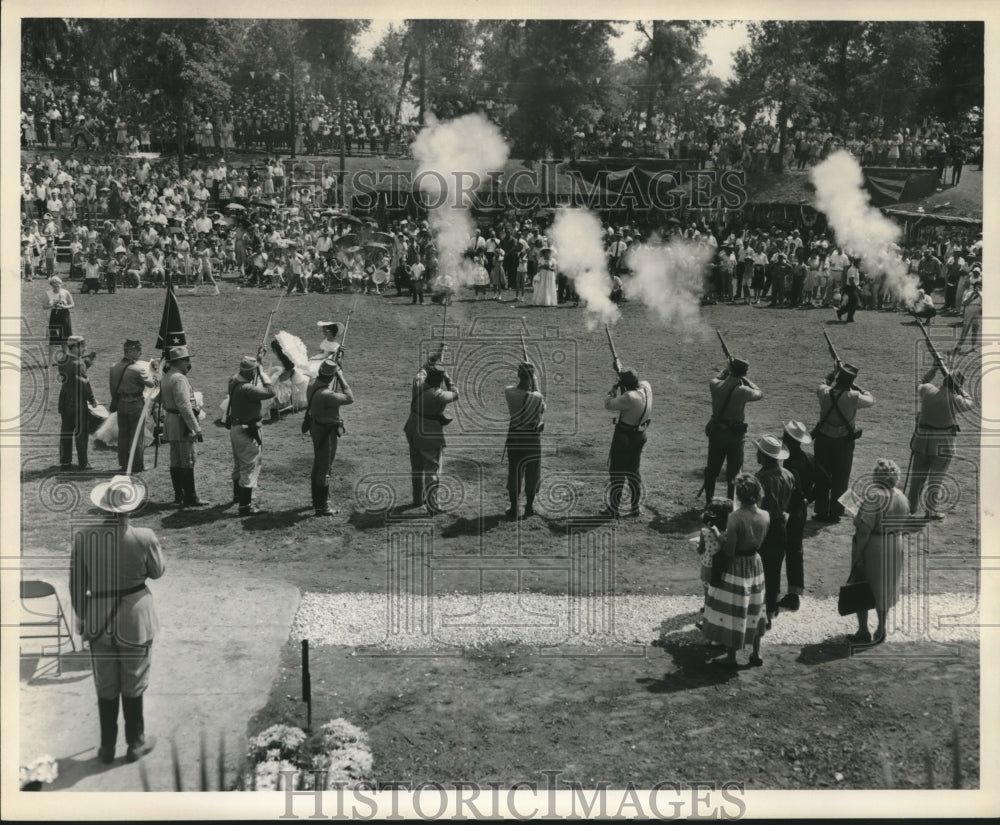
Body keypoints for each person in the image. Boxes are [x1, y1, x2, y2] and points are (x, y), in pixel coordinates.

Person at [70, 475, 164, 764]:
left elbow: (75, 585)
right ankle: (135, 743)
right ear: (130, 508)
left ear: (104, 507)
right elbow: (158, 571)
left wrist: (84, 616)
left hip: (98, 618)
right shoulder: (144, 536)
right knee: (134, 680)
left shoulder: (84, 537)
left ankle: (107, 747)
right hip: (135, 617)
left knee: (106, 683)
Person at [700, 473, 769, 668]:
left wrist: (718, 535)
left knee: (733, 607)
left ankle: (731, 656)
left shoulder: (735, 517)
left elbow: (729, 550)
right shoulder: (765, 515)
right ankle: (756, 653)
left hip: (737, 566)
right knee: (755, 606)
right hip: (755, 563)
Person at [847, 459, 917, 645]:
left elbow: (864, 531)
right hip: (895, 544)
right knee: (885, 589)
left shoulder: (874, 497)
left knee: (861, 585)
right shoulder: (902, 496)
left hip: (874, 547)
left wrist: (859, 555)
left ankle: (863, 630)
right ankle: (882, 628)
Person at [906, 363, 973, 519]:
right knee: (936, 478)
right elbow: (970, 401)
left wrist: (934, 369)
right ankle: (930, 510)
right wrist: (959, 389)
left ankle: (910, 507)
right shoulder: (955, 399)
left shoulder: (928, 390)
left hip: (921, 441)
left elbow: (920, 382)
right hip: (943, 444)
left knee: (917, 478)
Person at [812, 362, 875, 522]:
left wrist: (833, 372)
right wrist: (856, 385)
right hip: (843, 443)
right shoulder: (853, 397)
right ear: (850, 382)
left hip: (823, 439)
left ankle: (820, 510)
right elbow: (870, 399)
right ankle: (836, 512)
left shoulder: (825, 392)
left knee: (821, 475)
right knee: (841, 477)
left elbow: (823, 383)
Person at [403, 347, 459, 513]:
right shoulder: (439, 395)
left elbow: (422, 369)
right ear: (439, 380)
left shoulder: (418, 383)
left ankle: (416, 499)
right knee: (431, 469)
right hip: (429, 435)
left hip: (412, 430)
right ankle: (433, 505)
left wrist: (432, 360)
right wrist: (447, 376)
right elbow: (455, 393)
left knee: (416, 467)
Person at [702, 357, 763, 507]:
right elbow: (759, 393)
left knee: (712, 470)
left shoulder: (714, 385)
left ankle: (709, 502)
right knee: (734, 473)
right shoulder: (743, 391)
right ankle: (731, 504)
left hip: (717, 433)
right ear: (744, 373)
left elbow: (718, 378)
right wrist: (745, 380)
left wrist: (726, 372)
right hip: (735, 436)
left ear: (730, 370)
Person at [226, 352, 277, 516]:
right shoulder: (248, 388)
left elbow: (249, 380)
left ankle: (238, 497)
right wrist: (262, 372)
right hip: (247, 431)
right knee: (249, 466)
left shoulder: (234, 380)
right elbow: (271, 391)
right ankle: (245, 507)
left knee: (239, 465)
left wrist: (257, 362)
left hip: (236, 428)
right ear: (251, 372)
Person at [754, 435, 797, 627]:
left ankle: (760, 613)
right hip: (781, 527)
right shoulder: (788, 475)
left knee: (760, 572)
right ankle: (771, 611)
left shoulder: (760, 478)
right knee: (774, 572)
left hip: (765, 528)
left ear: (763, 456)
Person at [304, 357, 355, 516]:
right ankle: (322, 506)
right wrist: (340, 376)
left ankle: (316, 501)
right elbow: (349, 397)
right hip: (326, 432)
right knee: (325, 467)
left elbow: (326, 383)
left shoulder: (313, 384)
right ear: (332, 376)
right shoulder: (326, 394)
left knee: (319, 463)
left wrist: (335, 366)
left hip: (316, 427)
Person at [159, 346, 209, 507]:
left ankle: (178, 494)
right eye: (186, 359)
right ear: (179, 361)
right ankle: (190, 496)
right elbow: (184, 405)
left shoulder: (167, 376)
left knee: (176, 459)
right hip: (181, 423)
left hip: (171, 421)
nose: (188, 362)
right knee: (187, 459)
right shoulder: (179, 379)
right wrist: (196, 428)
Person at [778, 421, 819, 612]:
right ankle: (794, 592)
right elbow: (825, 481)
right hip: (802, 508)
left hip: (790, 509)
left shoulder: (789, 462)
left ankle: (782, 594)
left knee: (780, 550)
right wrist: (809, 496)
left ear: (788, 439)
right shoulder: (809, 458)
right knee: (796, 551)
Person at [602, 365, 652, 518]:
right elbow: (634, 385)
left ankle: (614, 509)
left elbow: (608, 403)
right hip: (640, 435)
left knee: (617, 471)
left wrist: (615, 387)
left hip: (624, 437)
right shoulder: (646, 387)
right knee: (633, 471)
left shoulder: (629, 397)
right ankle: (635, 508)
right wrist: (622, 373)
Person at [504, 361, 545, 520]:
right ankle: (529, 507)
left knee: (514, 471)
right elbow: (543, 407)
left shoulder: (509, 391)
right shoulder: (537, 397)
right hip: (531, 438)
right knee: (533, 472)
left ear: (518, 375)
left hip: (514, 436)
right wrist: (536, 384)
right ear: (531, 376)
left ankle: (514, 508)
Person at [108, 339, 157, 473]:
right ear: (130, 351)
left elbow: (113, 389)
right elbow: (152, 384)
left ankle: (124, 463)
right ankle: (137, 465)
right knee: (137, 435)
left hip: (121, 404)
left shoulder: (114, 367)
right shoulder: (137, 369)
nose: (140, 353)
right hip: (135, 404)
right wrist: (156, 372)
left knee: (123, 436)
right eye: (137, 350)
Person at [58, 336, 97, 469]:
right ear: (75, 347)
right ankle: (83, 463)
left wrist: (86, 364)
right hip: (78, 402)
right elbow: (84, 384)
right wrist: (92, 400)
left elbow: (72, 372)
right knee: (81, 433)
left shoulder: (62, 360)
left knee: (66, 432)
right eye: (82, 346)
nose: (84, 349)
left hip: (64, 400)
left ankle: (65, 461)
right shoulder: (79, 364)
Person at [696, 497, 732, 629]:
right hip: (723, 567)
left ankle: (707, 616)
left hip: (707, 567)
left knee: (707, 592)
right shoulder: (728, 534)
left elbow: (700, 550)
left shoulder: (704, 532)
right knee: (720, 592)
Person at [44, 275, 74, 365]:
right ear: (51, 286)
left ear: (61, 285)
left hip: (64, 315)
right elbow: (44, 306)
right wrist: (51, 305)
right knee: (53, 339)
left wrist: (64, 306)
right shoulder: (48, 293)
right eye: (54, 286)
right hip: (54, 316)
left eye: (58, 286)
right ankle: (50, 361)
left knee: (65, 339)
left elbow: (72, 304)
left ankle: (65, 359)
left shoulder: (66, 292)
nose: (56, 288)